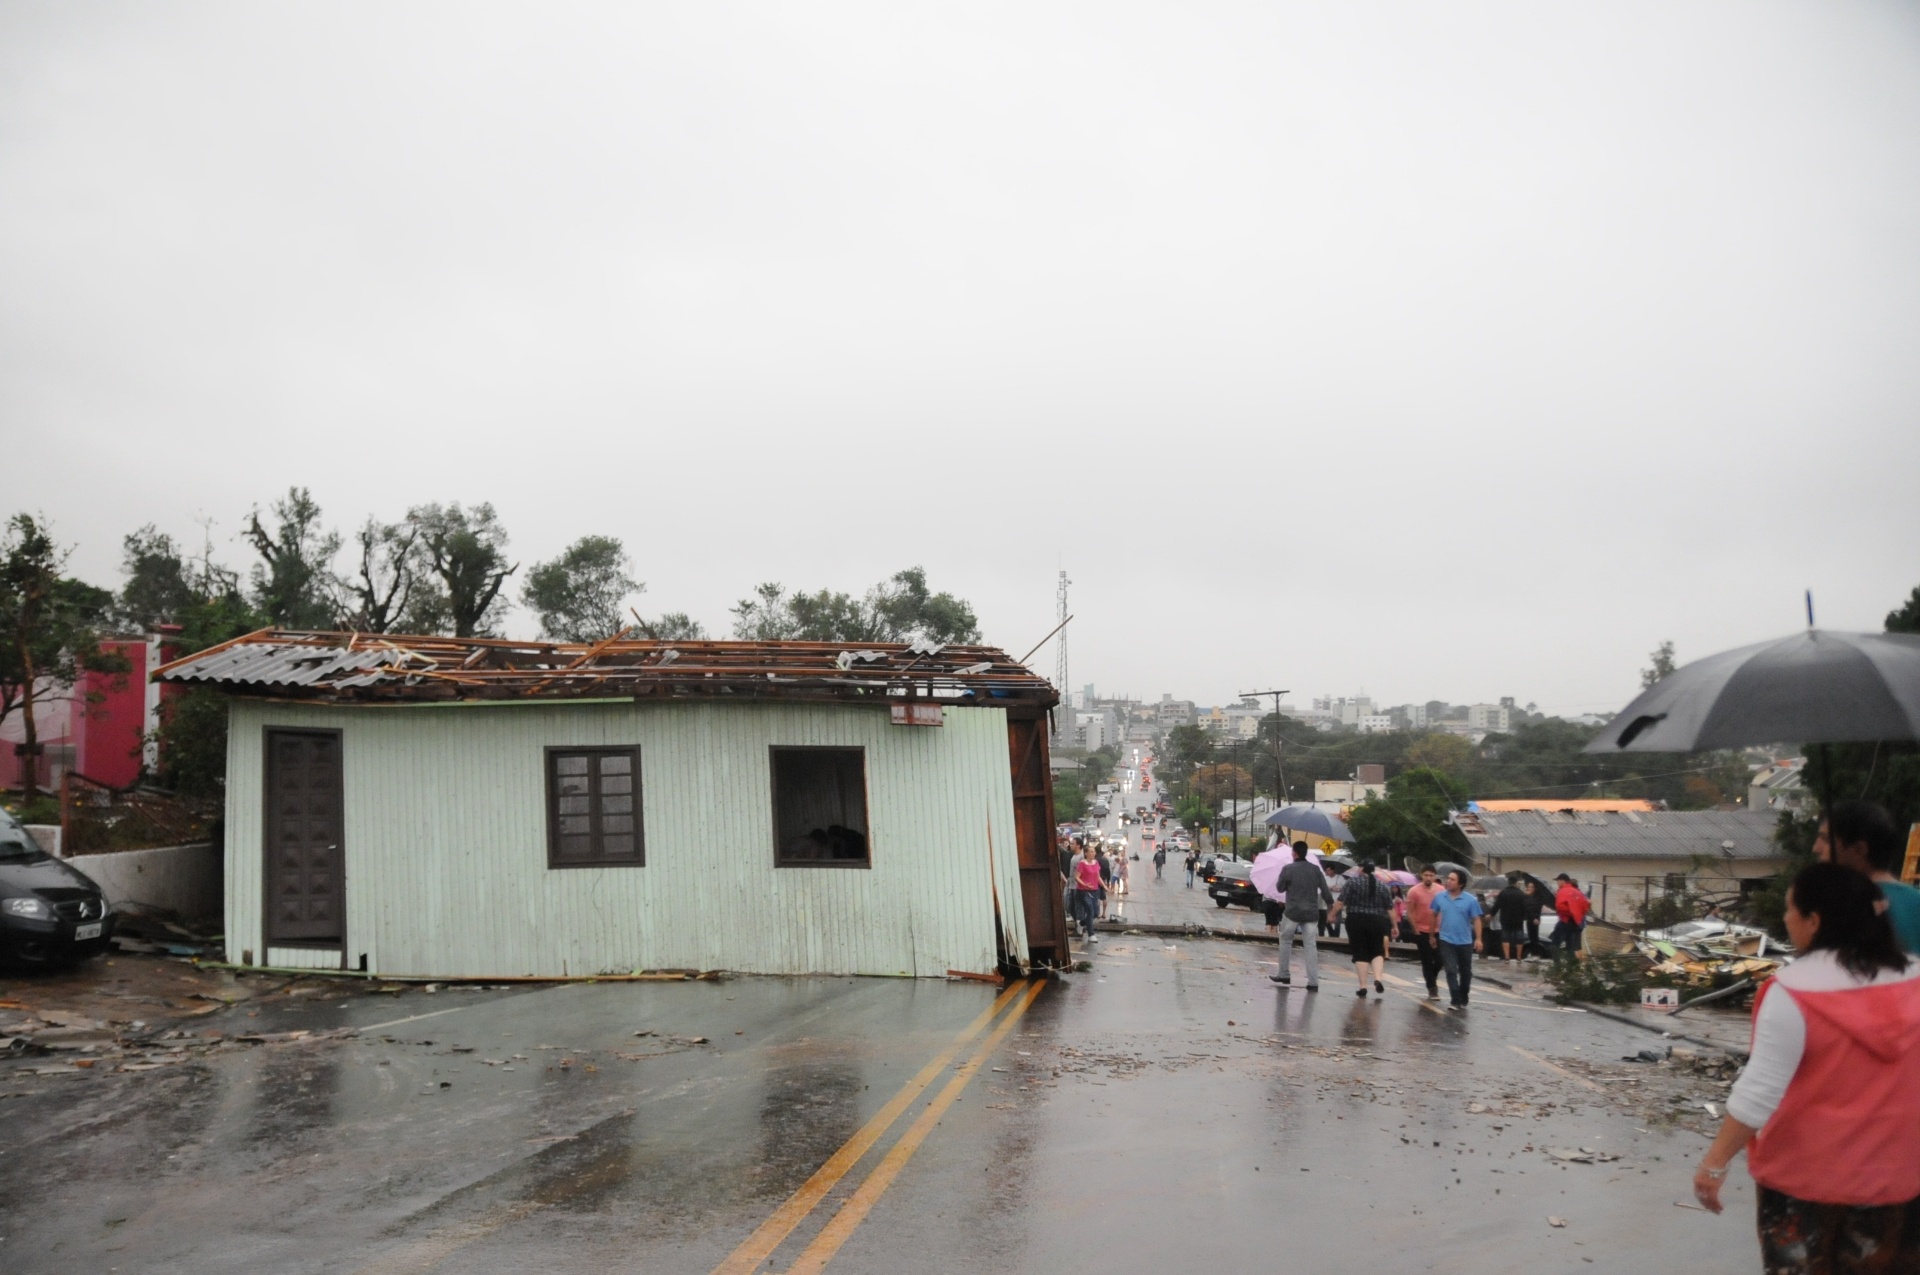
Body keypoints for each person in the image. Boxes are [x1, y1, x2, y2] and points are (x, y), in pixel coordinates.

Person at [1692, 863, 1920, 1270]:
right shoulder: (1914, 982)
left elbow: (1758, 1092)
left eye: (1789, 909)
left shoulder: (1792, 993)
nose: (1785, 919)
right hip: (1896, 1179)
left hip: (1804, 1180)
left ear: (1814, 921)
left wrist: (1714, 1164)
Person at [1815, 799, 1920, 955]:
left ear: (1859, 849)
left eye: (1825, 839)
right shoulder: (1915, 900)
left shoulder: (1840, 908)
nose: (1816, 848)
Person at [1269, 841, 1332, 992]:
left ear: (1295, 853)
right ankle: (1313, 981)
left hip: (1292, 912)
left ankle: (1284, 974)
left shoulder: (1288, 869)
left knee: (1285, 941)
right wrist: (1331, 907)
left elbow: (1280, 887)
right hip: (1311, 913)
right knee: (1310, 946)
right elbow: (1325, 891)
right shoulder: (1316, 870)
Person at [1330, 859, 1396, 998]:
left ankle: (1363, 986)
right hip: (1378, 921)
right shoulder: (1383, 886)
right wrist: (1395, 926)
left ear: (1361, 869)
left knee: (1360, 952)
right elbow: (1390, 908)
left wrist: (1331, 915)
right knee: (1377, 951)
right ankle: (1378, 978)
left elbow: (1340, 902)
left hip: (1356, 920)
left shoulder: (1352, 883)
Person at [1430, 868, 1484, 1011]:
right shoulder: (1440, 897)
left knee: (1466, 972)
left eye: (1452, 879)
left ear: (1460, 884)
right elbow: (1434, 915)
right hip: (1446, 940)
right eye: (1448, 878)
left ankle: (1463, 996)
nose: (1448, 881)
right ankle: (1455, 999)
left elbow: (1477, 919)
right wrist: (1431, 935)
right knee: (1451, 970)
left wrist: (1479, 939)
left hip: (1465, 942)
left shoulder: (1470, 900)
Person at [1406, 867, 1445, 998]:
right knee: (1427, 960)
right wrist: (1415, 929)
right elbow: (1410, 912)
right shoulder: (1414, 891)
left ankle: (1431, 978)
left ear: (1435, 876)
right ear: (1421, 876)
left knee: (1440, 960)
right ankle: (1432, 988)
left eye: (1431, 875)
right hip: (1421, 931)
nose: (1428, 878)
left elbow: (1444, 909)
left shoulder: (1441, 890)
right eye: (1426, 875)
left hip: (1438, 930)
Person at [1069, 844, 1103, 945]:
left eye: (1094, 852)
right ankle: (1091, 934)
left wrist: (1105, 886)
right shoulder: (1082, 864)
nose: (1093, 853)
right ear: (1086, 853)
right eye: (1091, 852)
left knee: (1096, 913)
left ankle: (1082, 923)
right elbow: (1077, 877)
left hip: (1095, 890)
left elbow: (1098, 877)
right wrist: (1084, 884)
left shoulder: (1096, 863)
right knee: (1090, 909)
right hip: (1083, 891)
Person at [1552, 873, 1589, 959]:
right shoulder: (1577, 892)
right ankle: (1572, 966)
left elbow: (1559, 906)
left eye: (1558, 881)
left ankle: (1556, 966)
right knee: (1571, 945)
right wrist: (1577, 916)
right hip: (1576, 923)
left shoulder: (1562, 891)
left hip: (1565, 920)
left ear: (1562, 881)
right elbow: (1585, 906)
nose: (1557, 883)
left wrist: (1569, 913)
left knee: (1554, 944)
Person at [1495, 874, 1529, 964]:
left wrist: (1490, 914)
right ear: (1516, 883)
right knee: (1519, 939)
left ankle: (1507, 957)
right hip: (1518, 920)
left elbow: (1496, 906)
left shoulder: (1503, 893)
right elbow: (1525, 907)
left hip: (1505, 919)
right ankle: (1518, 957)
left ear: (1508, 883)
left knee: (1505, 938)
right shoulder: (1521, 894)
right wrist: (1525, 917)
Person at [1521, 878, 1546, 959]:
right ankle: (1533, 953)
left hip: (1535, 918)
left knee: (1535, 937)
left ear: (1535, 888)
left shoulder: (1538, 898)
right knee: (1531, 937)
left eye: (1531, 887)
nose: (1529, 889)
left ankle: (1535, 953)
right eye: (1528, 887)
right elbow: (1525, 907)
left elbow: (1536, 908)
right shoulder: (1526, 897)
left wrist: (1536, 918)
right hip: (1529, 919)